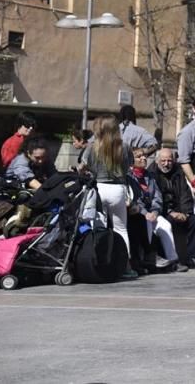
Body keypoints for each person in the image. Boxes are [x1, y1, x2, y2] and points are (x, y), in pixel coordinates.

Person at [80, 115, 135, 279]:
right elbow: (128, 168)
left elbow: (83, 167)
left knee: (99, 228)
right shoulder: (124, 147)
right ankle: (126, 266)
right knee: (121, 229)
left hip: (98, 188)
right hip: (118, 189)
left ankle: (99, 262)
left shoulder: (92, 147)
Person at [153, 148, 195, 271]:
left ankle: (193, 256)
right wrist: (170, 212)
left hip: (180, 210)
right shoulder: (152, 174)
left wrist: (186, 213)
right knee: (170, 222)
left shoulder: (178, 172)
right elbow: (157, 198)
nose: (166, 164)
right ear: (157, 161)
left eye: (169, 160)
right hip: (163, 211)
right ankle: (176, 260)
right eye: (163, 161)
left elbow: (185, 193)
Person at [126, 148, 162, 275]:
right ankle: (148, 257)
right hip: (139, 213)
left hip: (153, 213)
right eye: (139, 157)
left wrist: (155, 211)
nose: (144, 158)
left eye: (145, 156)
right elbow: (134, 198)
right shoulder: (129, 177)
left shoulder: (150, 176)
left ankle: (172, 260)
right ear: (131, 160)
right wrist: (145, 213)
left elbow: (157, 196)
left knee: (166, 226)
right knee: (142, 223)